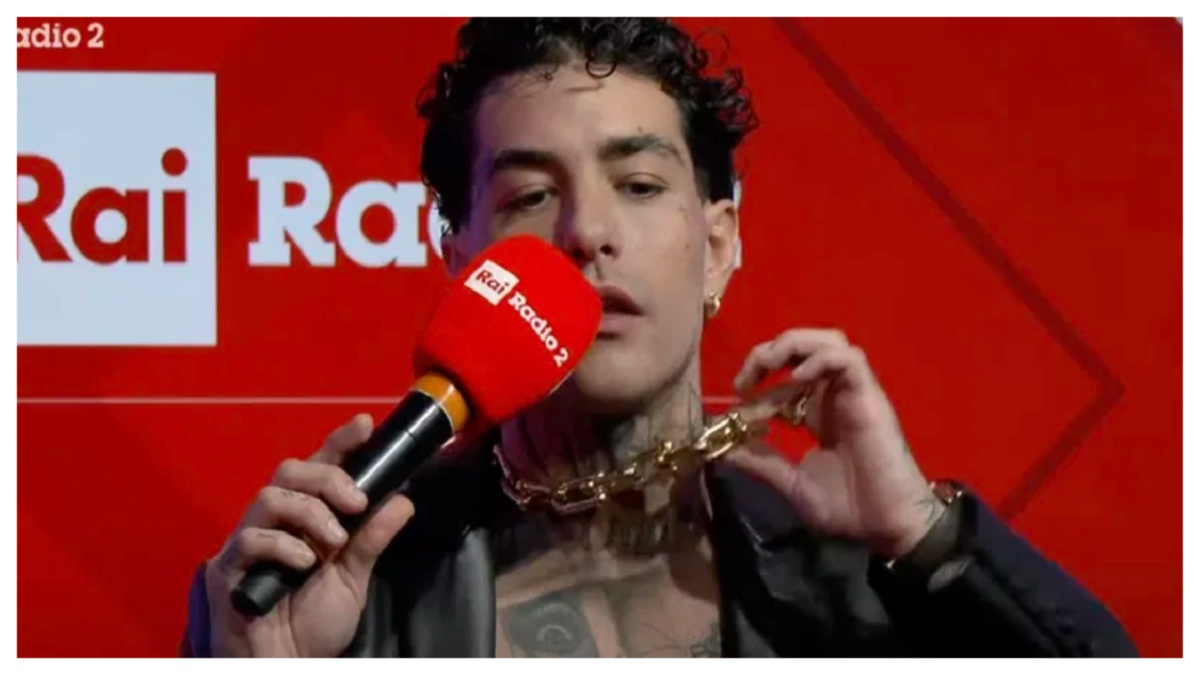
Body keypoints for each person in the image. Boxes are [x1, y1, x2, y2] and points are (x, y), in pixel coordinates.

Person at [181, 18, 1138, 658]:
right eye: (529, 196)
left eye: (638, 186)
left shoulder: (867, 565)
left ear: (718, 246)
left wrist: (926, 540)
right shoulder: (335, 588)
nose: (586, 232)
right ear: (461, 257)